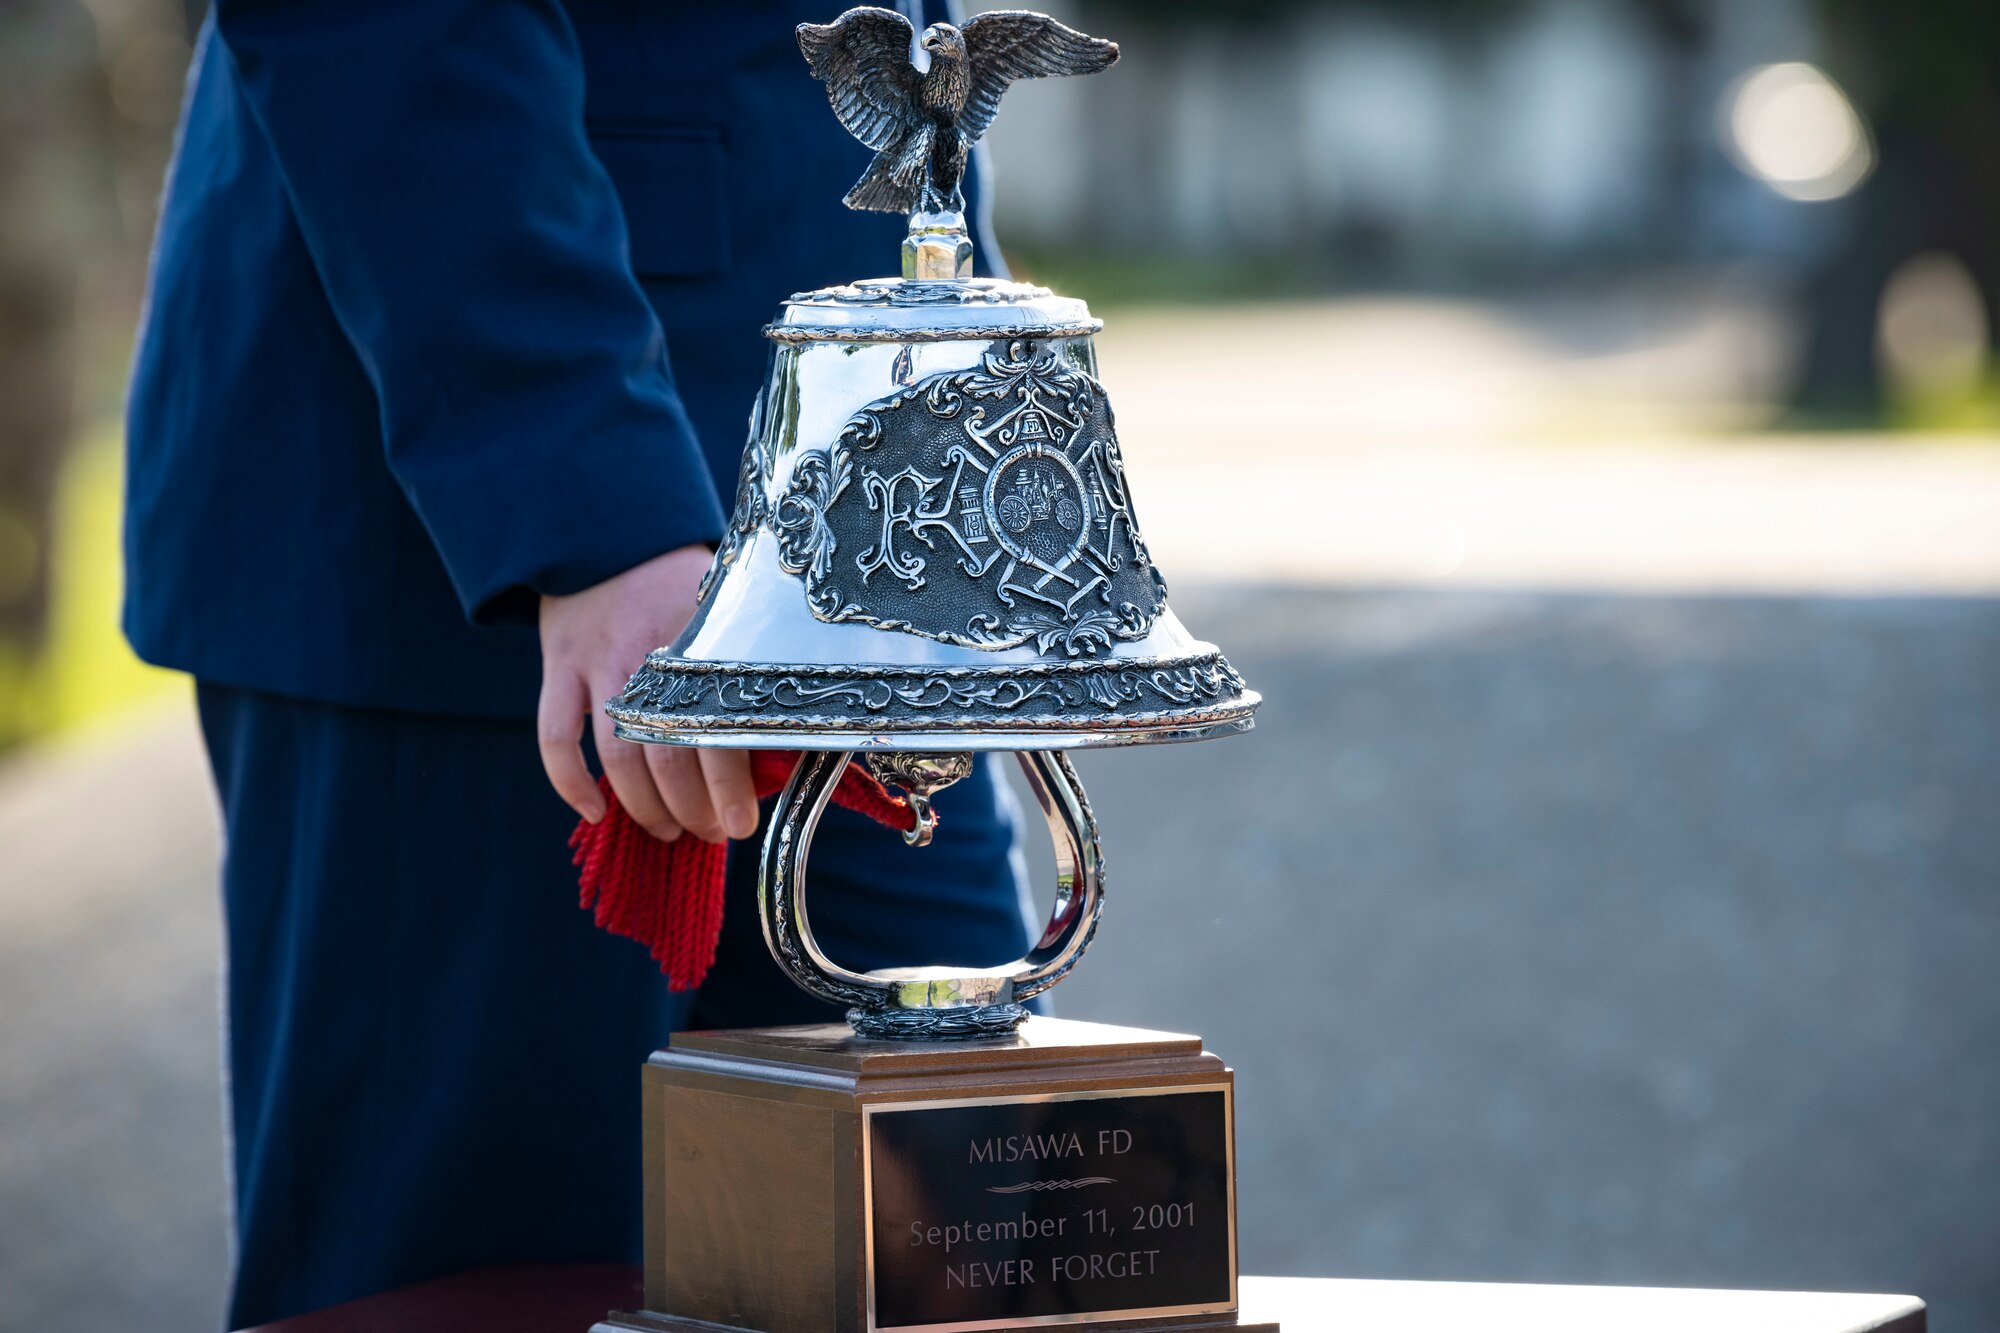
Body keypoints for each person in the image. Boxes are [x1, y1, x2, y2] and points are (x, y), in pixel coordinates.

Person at [123, 1, 1033, 1325]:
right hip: (490, 528)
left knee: (986, 1249)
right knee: (491, 1288)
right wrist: (584, 499)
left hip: (858, 484)